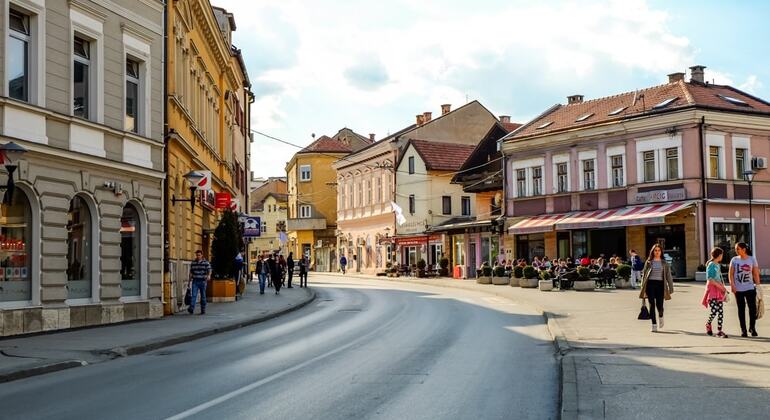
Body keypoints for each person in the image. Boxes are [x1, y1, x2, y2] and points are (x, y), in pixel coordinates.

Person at [639, 243, 674, 332]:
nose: (657, 252)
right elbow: (644, 275)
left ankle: (661, 316)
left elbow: (668, 276)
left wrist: (671, 287)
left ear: (661, 252)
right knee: (652, 305)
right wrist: (642, 288)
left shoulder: (664, 263)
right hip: (650, 285)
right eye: (655, 250)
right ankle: (654, 324)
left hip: (661, 285)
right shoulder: (649, 262)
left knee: (660, 306)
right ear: (653, 251)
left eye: (659, 250)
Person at [729, 242, 761, 337]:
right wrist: (732, 285)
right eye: (736, 249)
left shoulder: (752, 259)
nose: (736, 250)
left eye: (738, 249)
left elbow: (755, 273)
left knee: (752, 309)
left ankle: (752, 327)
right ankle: (743, 330)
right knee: (741, 309)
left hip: (750, 288)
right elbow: (730, 274)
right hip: (738, 289)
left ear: (744, 249)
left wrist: (758, 286)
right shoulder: (734, 260)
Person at [702, 247, 728, 338]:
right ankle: (708, 324)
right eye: (722, 254)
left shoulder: (717, 265)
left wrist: (723, 288)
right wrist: (720, 287)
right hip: (712, 290)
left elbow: (718, 278)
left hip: (719, 290)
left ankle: (719, 331)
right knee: (714, 310)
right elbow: (710, 279)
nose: (722, 256)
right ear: (719, 255)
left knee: (720, 311)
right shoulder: (711, 265)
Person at [188, 250, 211, 315]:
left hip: (203, 281)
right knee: (194, 295)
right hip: (195, 281)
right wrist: (189, 282)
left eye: (199, 255)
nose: (198, 256)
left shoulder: (206, 263)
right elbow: (191, 273)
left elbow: (209, 270)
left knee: (203, 296)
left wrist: (209, 276)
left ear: (202, 255)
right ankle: (191, 308)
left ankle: (203, 309)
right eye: (197, 255)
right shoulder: (193, 263)